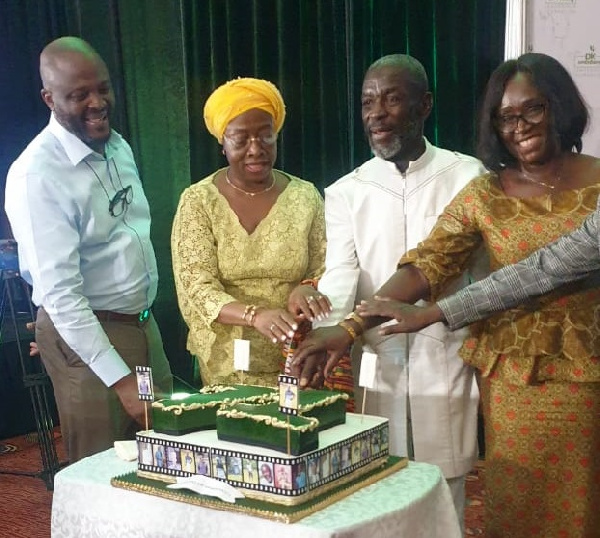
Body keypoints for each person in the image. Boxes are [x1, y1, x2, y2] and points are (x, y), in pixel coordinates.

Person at [303, 52, 600, 538]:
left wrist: (435, 313)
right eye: (506, 117)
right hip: (513, 373)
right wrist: (349, 326)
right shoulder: (488, 192)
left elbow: (543, 270)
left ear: (559, 107)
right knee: (515, 497)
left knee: (582, 501)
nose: (519, 126)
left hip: (588, 369)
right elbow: (431, 259)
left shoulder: (583, 179)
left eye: (533, 110)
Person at [292, 54, 487, 525]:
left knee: (447, 484)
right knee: (380, 484)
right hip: (376, 357)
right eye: (367, 103)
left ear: (425, 105)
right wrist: (326, 325)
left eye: (392, 99)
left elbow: (481, 276)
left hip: (448, 352)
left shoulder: (469, 177)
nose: (376, 113)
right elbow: (342, 273)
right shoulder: (346, 191)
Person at [4, 36, 172, 463]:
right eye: (79, 95)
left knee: (166, 451)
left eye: (103, 88)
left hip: (141, 326)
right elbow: (60, 295)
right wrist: (119, 380)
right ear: (49, 98)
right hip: (91, 340)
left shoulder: (117, 145)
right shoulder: (37, 176)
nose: (97, 103)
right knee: (101, 467)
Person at [171, 77, 332, 387]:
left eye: (265, 137)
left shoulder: (305, 196)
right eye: (241, 139)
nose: (256, 149)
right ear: (222, 142)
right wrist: (254, 315)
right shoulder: (198, 200)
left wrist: (308, 286)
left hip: (296, 353)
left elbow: (327, 266)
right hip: (228, 359)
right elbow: (196, 288)